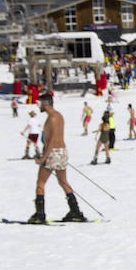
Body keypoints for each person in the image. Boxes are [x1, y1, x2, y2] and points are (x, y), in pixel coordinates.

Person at [28, 92, 86, 223]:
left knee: (40, 183)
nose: (38, 107)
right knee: (63, 181)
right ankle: (75, 211)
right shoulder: (58, 116)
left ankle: (40, 214)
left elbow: (53, 140)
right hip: (62, 152)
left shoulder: (52, 118)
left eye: (39, 104)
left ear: (45, 103)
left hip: (52, 153)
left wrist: (43, 157)